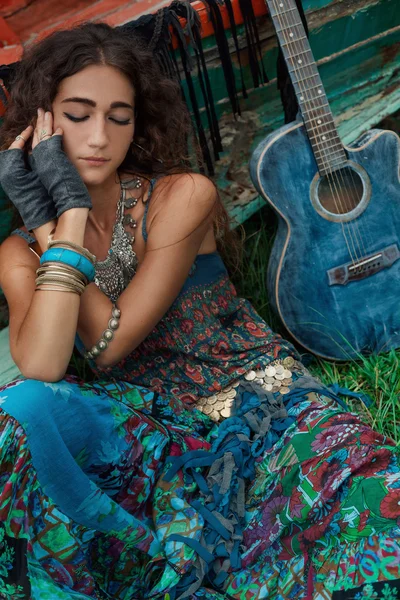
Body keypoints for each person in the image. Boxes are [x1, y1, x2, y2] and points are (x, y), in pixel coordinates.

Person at [0, 21, 398, 600]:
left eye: (119, 116)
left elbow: (111, 343)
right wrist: (56, 225)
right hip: (152, 431)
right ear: (40, 121)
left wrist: (58, 215)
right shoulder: (17, 254)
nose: (98, 137)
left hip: (263, 407)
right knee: (19, 409)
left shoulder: (181, 196)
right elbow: (41, 366)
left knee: (371, 512)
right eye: (77, 114)